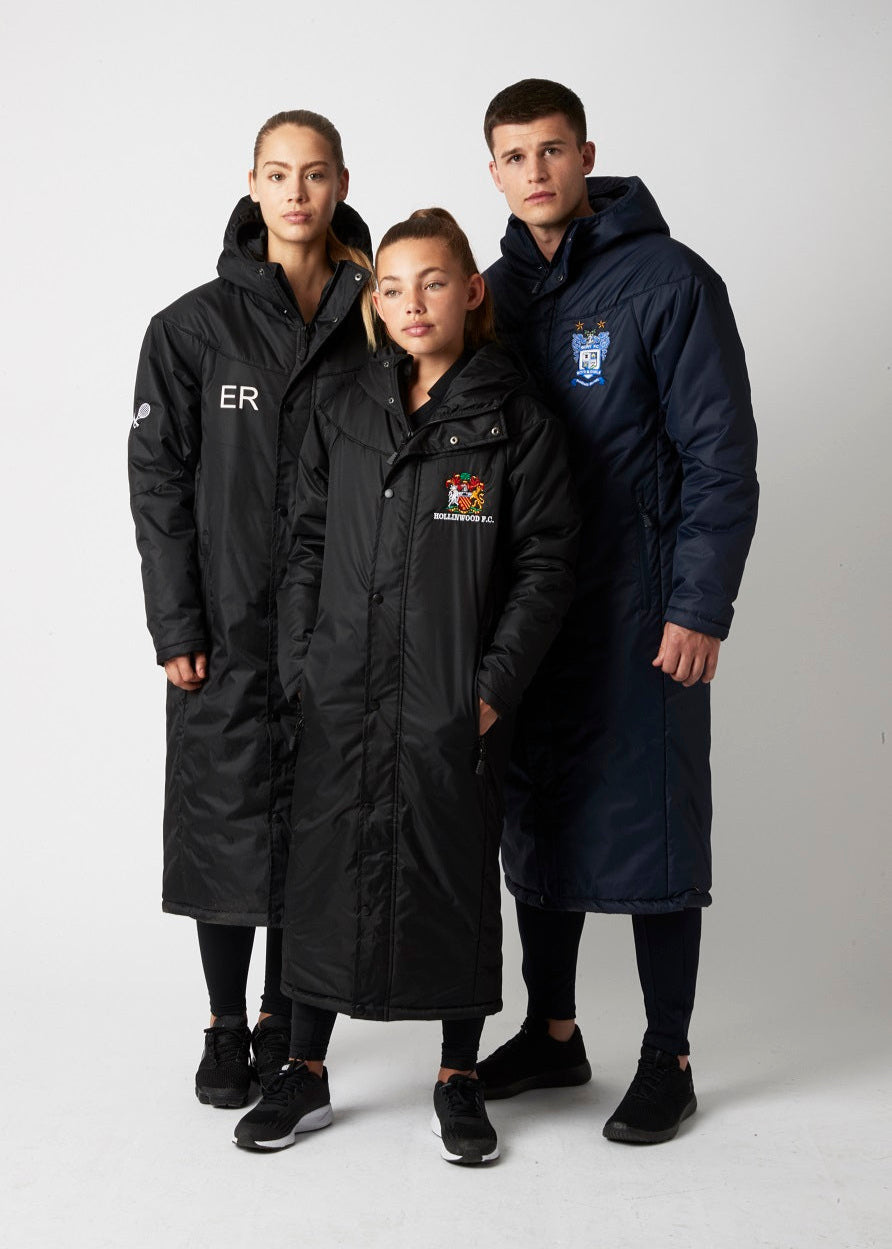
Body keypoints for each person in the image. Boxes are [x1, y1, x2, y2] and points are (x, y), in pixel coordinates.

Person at [231, 208, 579, 1163]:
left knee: (452, 871)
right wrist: (304, 662)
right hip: (340, 691)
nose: (411, 302)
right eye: (392, 286)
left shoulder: (516, 421)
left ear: (472, 291)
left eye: (432, 282)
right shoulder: (346, 406)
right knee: (321, 869)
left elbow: (547, 566)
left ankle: (458, 1076)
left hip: (448, 700)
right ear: (375, 302)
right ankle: (303, 1070)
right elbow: (305, 542)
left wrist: (488, 689)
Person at [475, 79, 759, 1144]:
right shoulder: (491, 293)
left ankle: (666, 1055)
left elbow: (719, 455)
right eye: (515, 155)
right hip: (530, 614)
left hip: (643, 611)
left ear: (586, 156)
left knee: (653, 831)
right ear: (493, 171)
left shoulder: (669, 280)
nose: (536, 171)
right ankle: (553, 1034)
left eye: (552, 149)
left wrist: (700, 604)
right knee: (536, 823)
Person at [129, 110, 375, 1110]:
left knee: (318, 828)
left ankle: (286, 1019)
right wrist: (176, 624)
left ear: (341, 182)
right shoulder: (192, 328)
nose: (297, 193)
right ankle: (226, 1026)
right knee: (225, 820)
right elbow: (157, 482)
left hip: (338, 627)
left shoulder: (374, 319)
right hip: (226, 627)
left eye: (314, 174)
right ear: (253, 184)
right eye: (279, 174)